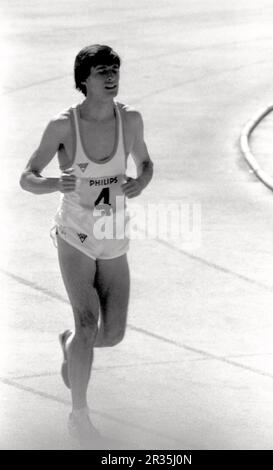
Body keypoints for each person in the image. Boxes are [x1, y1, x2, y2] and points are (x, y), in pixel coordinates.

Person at [19, 44, 153, 446]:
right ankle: (79, 416)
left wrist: (141, 181)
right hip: (74, 231)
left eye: (114, 69)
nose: (110, 77)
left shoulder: (130, 119)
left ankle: (70, 344)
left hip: (112, 227)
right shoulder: (62, 126)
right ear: (84, 80)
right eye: (101, 71)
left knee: (110, 334)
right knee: (88, 323)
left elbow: (146, 163)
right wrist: (49, 184)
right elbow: (27, 176)